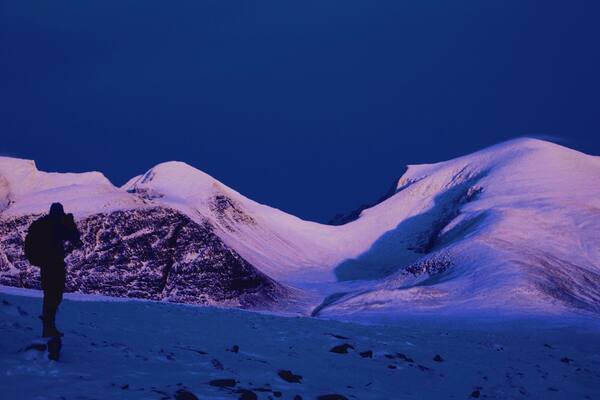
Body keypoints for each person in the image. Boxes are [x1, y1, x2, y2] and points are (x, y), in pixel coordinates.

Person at [26, 203, 82, 338]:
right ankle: (49, 325)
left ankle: (48, 325)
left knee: (51, 294)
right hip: (54, 264)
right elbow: (74, 237)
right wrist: (68, 222)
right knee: (55, 294)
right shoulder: (57, 225)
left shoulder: (44, 224)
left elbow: (72, 237)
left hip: (47, 264)